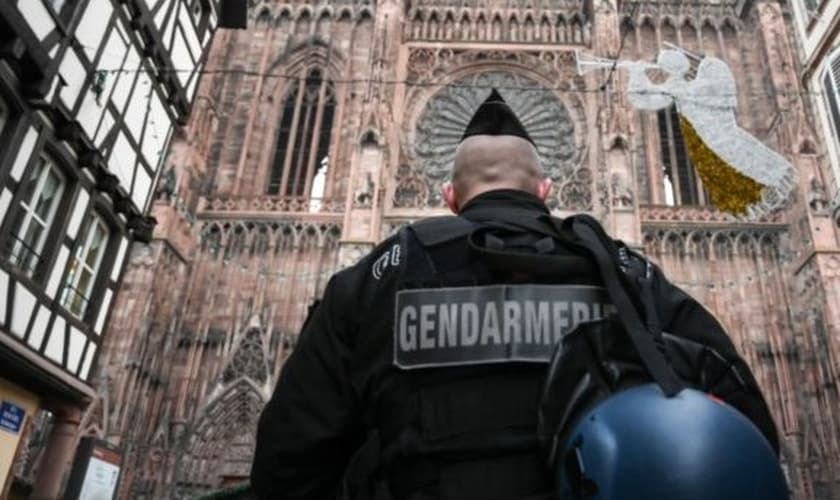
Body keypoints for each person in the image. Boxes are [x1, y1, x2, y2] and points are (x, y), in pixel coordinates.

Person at [251, 89, 779, 500]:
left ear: (448, 197)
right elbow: (743, 429)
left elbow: (288, 462)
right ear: (545, 191)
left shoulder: (376, 279)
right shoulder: (621, 272)